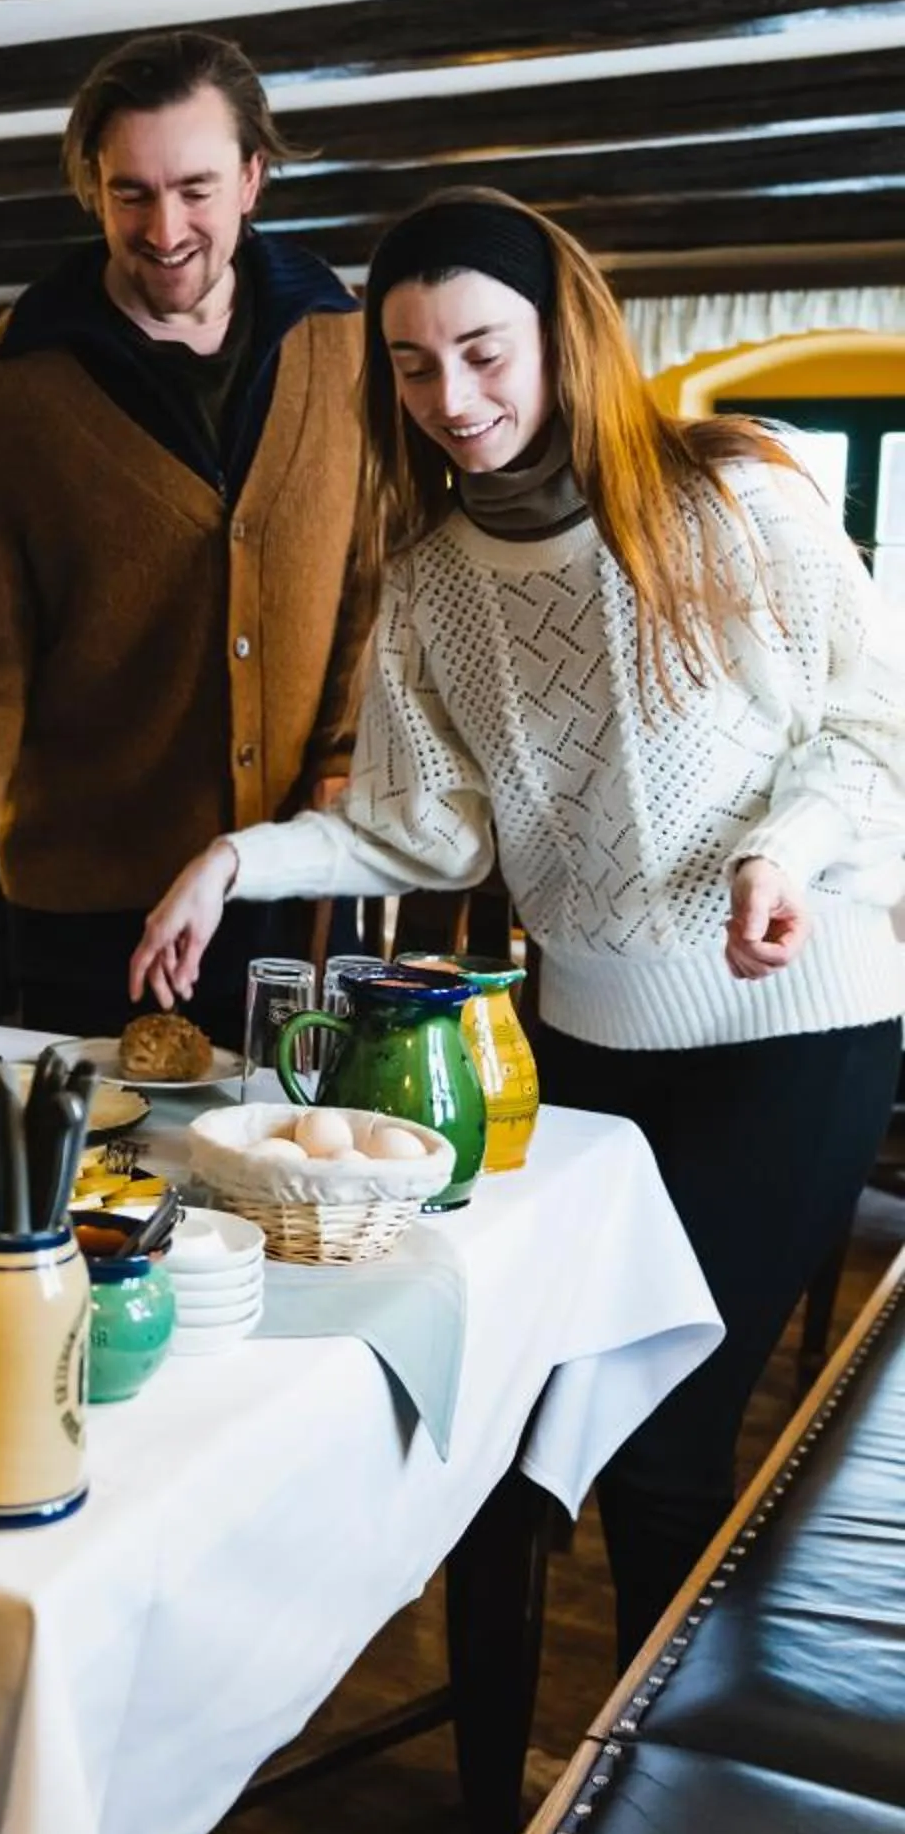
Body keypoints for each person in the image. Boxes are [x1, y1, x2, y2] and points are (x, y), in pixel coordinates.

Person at [134, 188, 905, 1658]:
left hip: (792, 1038)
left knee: (662, 1436)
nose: (452, 400)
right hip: (579, 1043)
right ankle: (505, 1807)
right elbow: (426, 828)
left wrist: (786, 855)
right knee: (511, 1404)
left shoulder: (736, 496)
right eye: (414, 367)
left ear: (566, 338)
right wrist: (231, 861)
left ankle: (647, 1825)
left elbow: (875, 728)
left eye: (484, 353)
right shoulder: (428, 581)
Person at [0, 28, 367, 1042]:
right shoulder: (19, 382)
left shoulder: (340, 342)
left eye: (195, 189)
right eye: (131, 194)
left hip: (297, 889)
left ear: (250, 179)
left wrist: (340, 763)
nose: (163, 228)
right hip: (88, 914)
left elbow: (373, 585)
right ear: (91, 190)